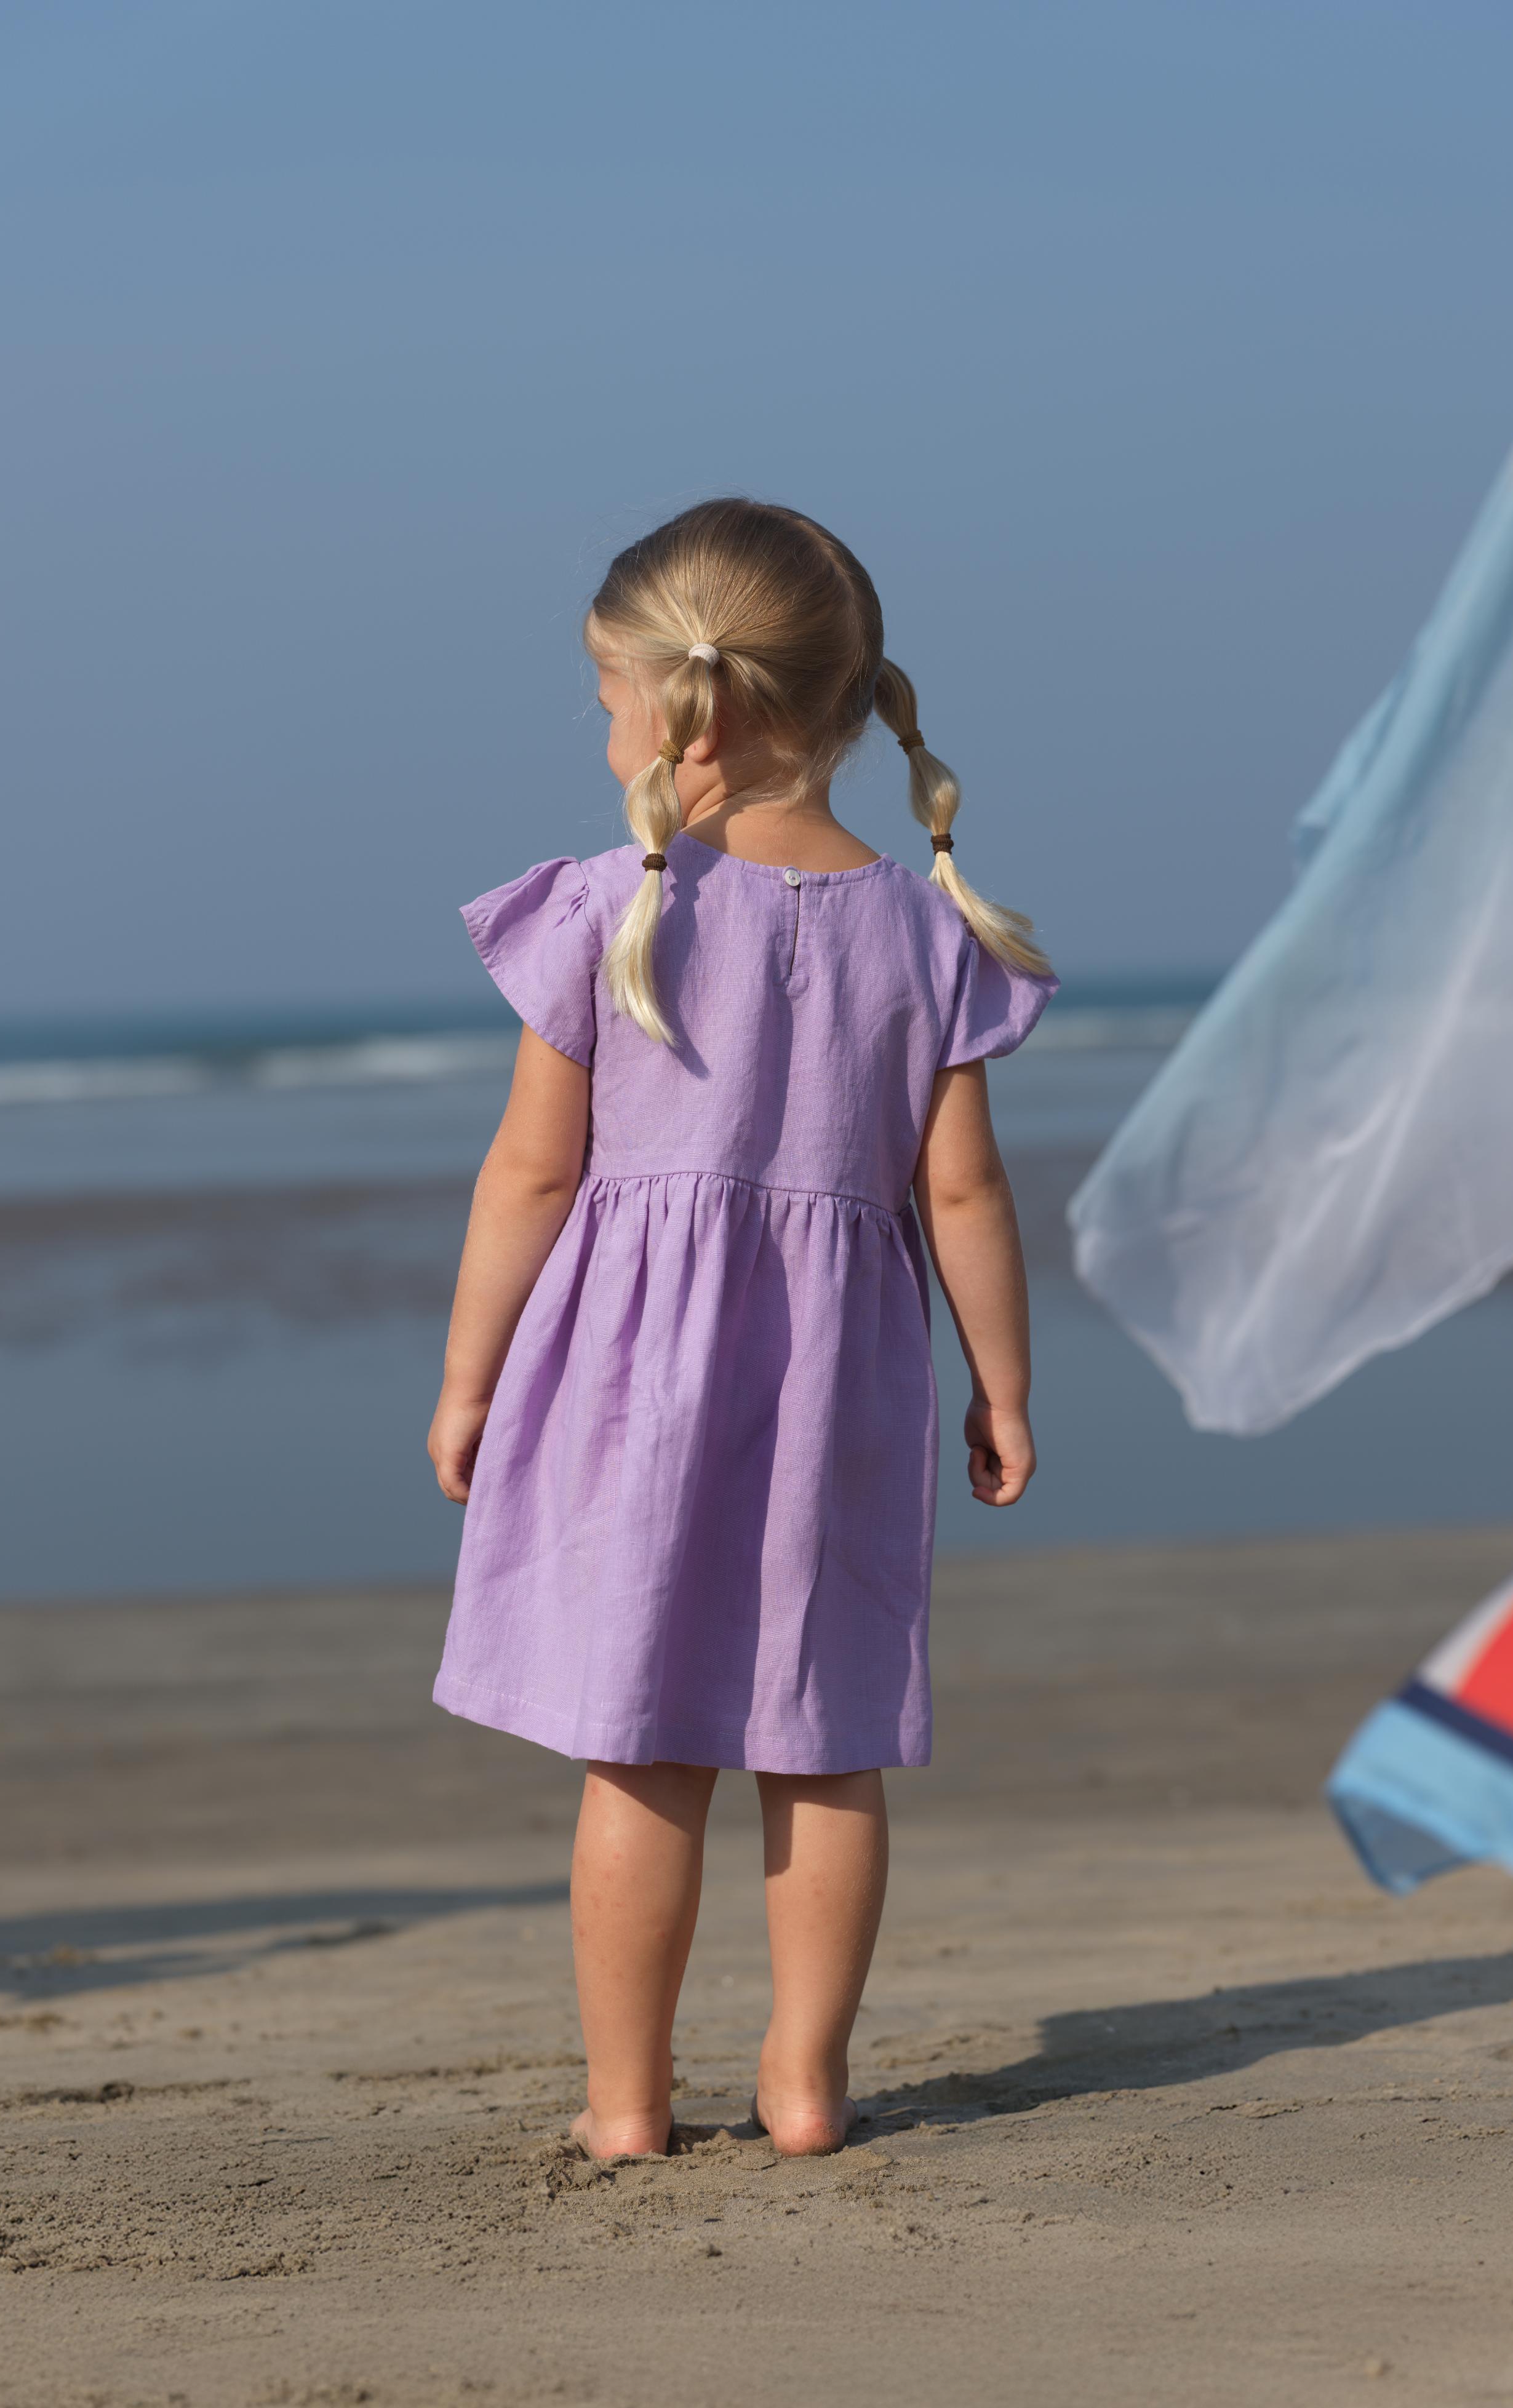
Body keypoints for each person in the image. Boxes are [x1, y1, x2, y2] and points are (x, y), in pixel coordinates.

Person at [426, 498, 1055, 2161]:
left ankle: (626, 2109)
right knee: (823, 1740)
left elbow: (529, 1176)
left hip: (626, 1377)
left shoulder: (602, 907)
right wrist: (1001, 1385)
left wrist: (466, 1380)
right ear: (843, 699)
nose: (604, 723)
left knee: (640, 1748)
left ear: (676, 704)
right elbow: (969, 1200)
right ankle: (802, 2089)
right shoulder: (927, 931)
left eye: (605, 690)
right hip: (840, 1370)